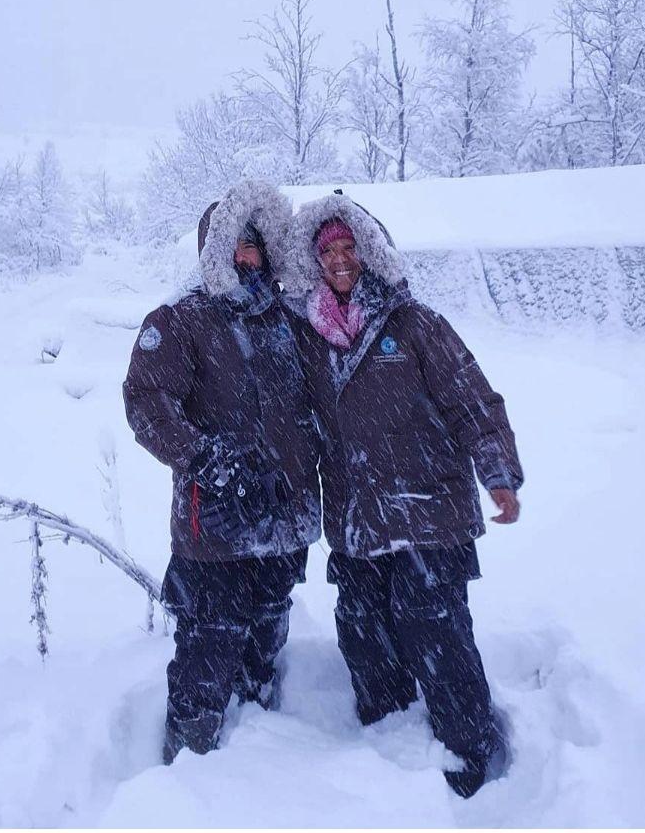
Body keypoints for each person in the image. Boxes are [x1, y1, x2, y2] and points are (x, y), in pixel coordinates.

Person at [284, 192, 525, 799]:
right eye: (328, 251)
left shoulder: (414, 323)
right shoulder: (308, 335)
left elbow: (471, 397)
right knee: (364, 633)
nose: (340, 259)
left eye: (349, 248)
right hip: (356, 519)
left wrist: (497, 472)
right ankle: (389, 746)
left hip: (427, 511)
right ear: (316, 262)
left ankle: (471, 754)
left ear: (367, 254)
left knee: (436, 633)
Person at [123, 180, 321, 764]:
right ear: (211, 250)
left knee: (266, 637)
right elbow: (146, 401)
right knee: (208, 649)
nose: (244, 255)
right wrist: (208, 459)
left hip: (281, 521)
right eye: (231, 244)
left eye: (253, 244)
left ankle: (260, 759)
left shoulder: (288, 317)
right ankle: (190, 764)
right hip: (213, 528)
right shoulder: (181, 319)